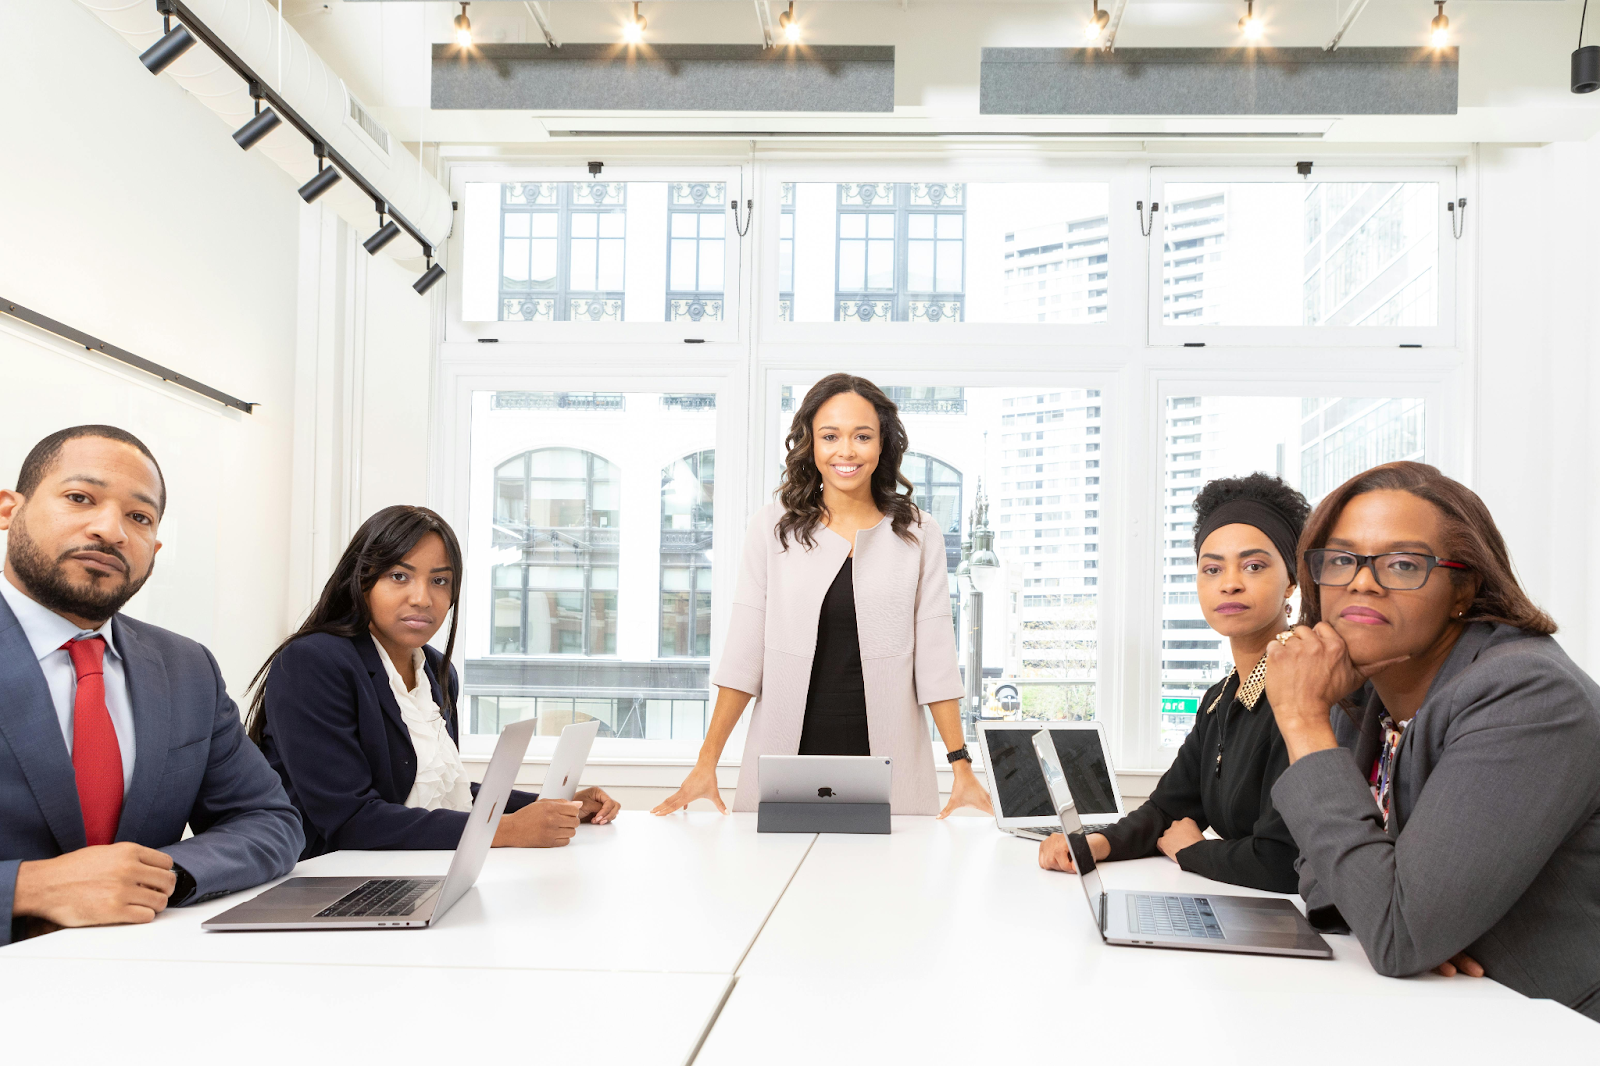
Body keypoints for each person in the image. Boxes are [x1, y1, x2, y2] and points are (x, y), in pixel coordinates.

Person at [1263, 461, 1600, 1019]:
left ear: (1463, 586)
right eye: (1341, 560)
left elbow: (1396, 934)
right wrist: (1399, 912)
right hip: (1446, 1012)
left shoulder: (1528, 693)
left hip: (1557, 1028)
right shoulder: (1365, 693)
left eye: (1402, 564)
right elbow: (1322, 882)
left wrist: (1302, 720)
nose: (1361, 582)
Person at [0, 426, 303, 945]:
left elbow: (269, 820)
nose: (110, 530)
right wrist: (26, 888)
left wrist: (159, 876)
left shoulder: (187, 668)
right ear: (9, 510)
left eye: (139, 517)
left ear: (155, 546)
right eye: (80, 498)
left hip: (148, 976)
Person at [653, 374, 993, 817]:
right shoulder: (772, 527)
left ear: (883, 444)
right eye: (830, 436)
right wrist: (706, 763)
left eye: (862, 436)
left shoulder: (918, 531)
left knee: (893, 884)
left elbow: (935, 658)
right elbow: (743, 656)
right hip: (788, 756)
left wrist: (961, 765)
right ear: (810, 445)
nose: (846, 451)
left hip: (885, 758)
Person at [248, 506, 620, 858]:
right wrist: (505, 830)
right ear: (361, 582)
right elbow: (350, 821)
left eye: (439, 580)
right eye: (399, 576)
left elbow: (437, 792)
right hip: (319, 880)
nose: (423, 598)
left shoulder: (436, 670)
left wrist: (550, 807)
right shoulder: (313, 662)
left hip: (402, 868)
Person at [1039, 473, 1311, 892]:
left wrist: (1192, 851)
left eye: (1254, 565)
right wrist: (1095, 844)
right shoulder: (1220, 698)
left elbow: (1283, 858)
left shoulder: (1304, 693)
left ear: (1292, 579)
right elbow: (1170, 808)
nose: (1230, 581)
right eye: (1212, 568)